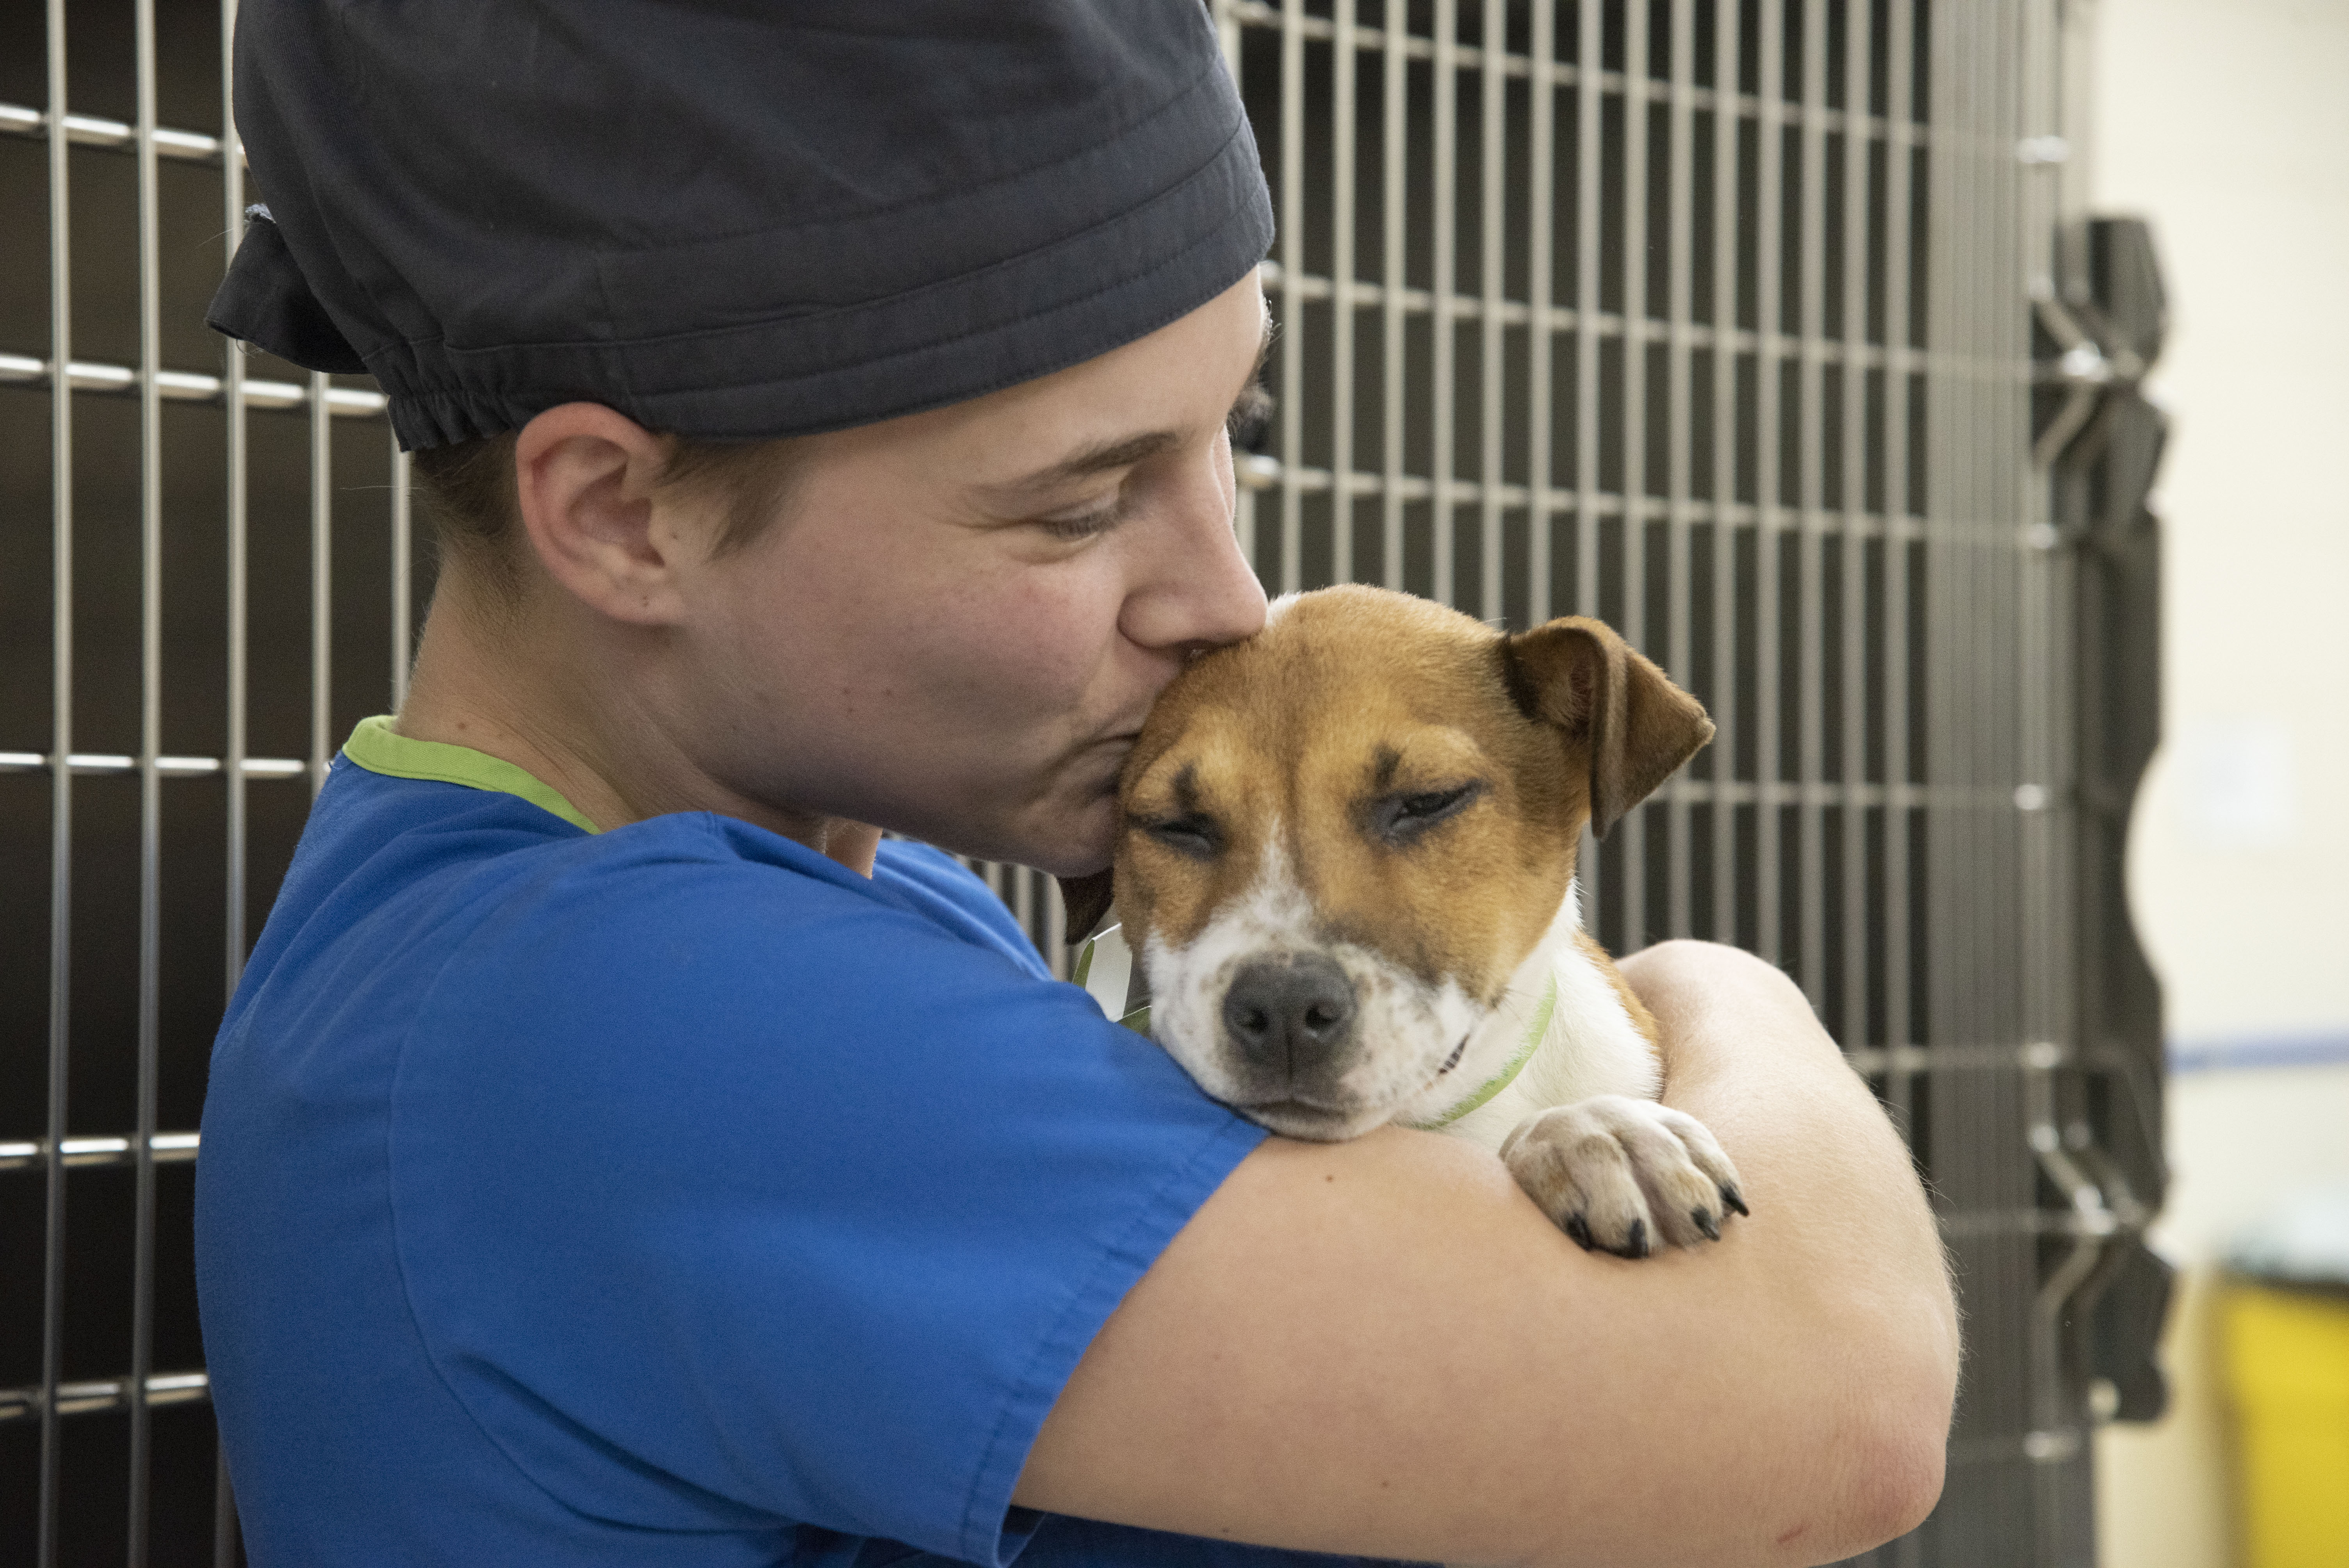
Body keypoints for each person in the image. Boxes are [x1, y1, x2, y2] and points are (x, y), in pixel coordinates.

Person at [196, 5, 1958, 1566]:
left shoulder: (861, 889)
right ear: (620, 515)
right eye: (1078, 500)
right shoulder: (627, 1004)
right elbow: (1834, 1404)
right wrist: (1713, 992)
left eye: (1228, 444)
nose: (1223, 600)